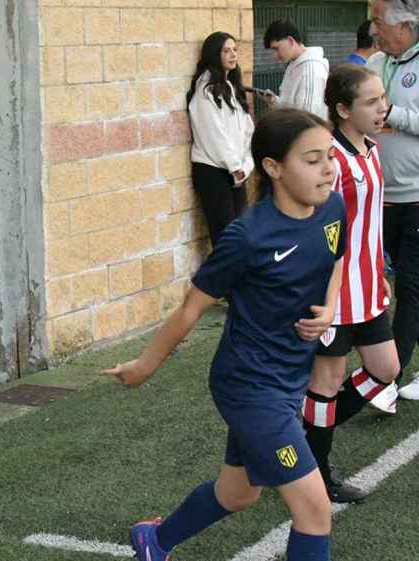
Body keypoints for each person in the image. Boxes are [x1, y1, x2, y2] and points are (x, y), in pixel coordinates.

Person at [104, 108, 346, 561]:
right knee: (314, 510)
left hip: (289, 378)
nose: (328, 168)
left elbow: (335, 259)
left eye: (329, 156)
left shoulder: (332, 206)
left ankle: (154, 540)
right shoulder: (247, 237)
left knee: (238, 494)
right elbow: (191, 307)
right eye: (312, 160)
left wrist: (329, 307)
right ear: (273, 168)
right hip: (249, 386)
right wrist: (144, 365)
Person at [303, 65, 401, 506]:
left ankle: (301, 435)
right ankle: (318, 474)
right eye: (370, 101)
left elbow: (369, 224)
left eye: (382, 98)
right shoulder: (329, 158)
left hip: (367, 286)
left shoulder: (372, 149)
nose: (382, 108)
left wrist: (378, 268)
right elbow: (312, 223)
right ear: (343, 109)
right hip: (332, 292)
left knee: (387, 370)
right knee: (327, 382)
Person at [367, 0, 419, 400]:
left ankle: (389, 379)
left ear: (405, 25)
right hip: (381, 197)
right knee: (381, 284)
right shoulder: (376, 63)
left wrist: (392, 114)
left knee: (411, 288)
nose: (373, 30)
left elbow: (400, 116)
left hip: (417, 196)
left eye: (378, 21)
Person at [187, 32, 255, 247]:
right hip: (214, 171)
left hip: (237, 171)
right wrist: (236, 166)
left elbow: (247, 132)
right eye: (226, 51)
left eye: (235, 50)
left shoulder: (233, 89)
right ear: (214, 55)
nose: (233, 55)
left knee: (242, 233)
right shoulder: (205, 91)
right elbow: (214, 135)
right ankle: (224, 280)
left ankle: (237, 280)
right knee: (226, 238)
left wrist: (246, 165)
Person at [260, 19, 330, 120]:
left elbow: (307, 120)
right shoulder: (294, 64)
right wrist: (274, 101)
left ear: (290, 41)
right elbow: (292, 107)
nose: (275, 55)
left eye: (276, 48)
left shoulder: (310, 70)